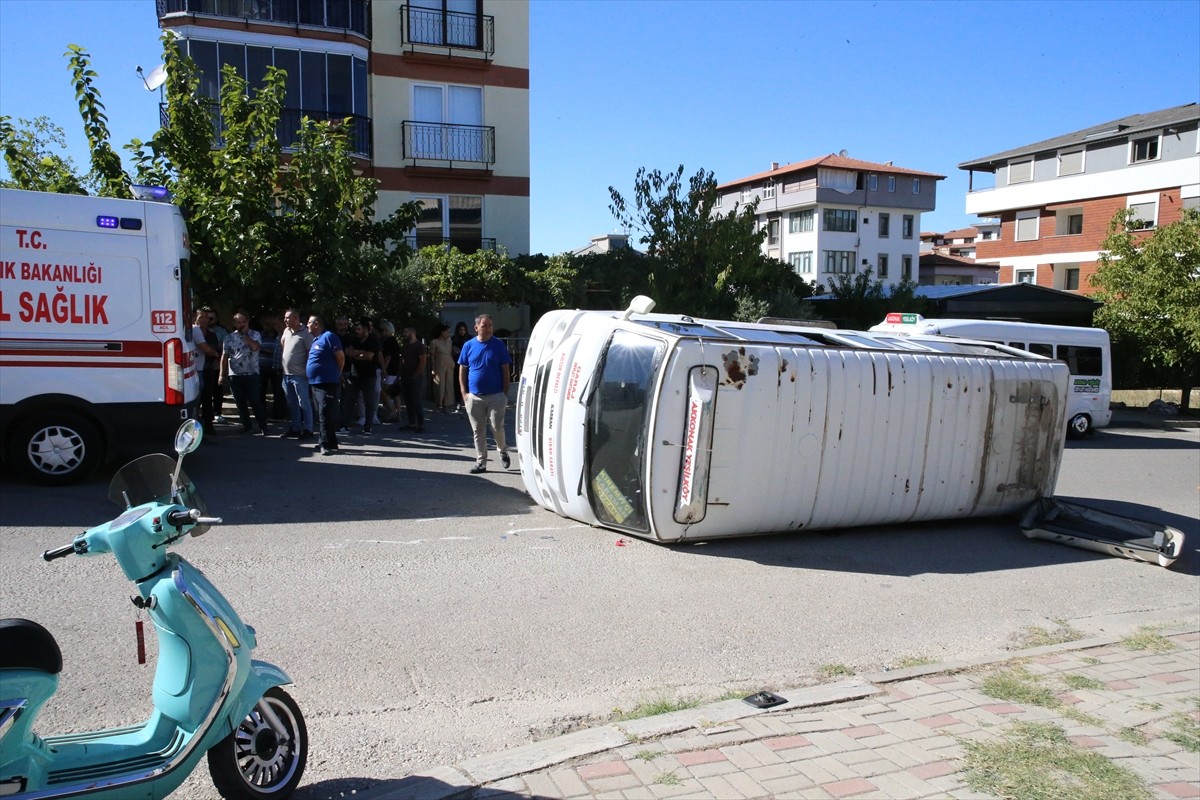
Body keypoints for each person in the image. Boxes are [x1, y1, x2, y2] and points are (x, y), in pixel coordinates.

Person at [458, 314, 512, 474]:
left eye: (490, 325)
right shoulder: (468, 345)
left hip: (496, 395)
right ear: (476, 328)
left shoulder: (498, 345)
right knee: (478, 430)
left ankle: (502, 450)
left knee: (496, 426)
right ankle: (481, 462)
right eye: (484, 325)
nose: (488, 328)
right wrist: (464, 392)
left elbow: (505, 369)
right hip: (474, 397)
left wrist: (504, 393)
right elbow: (463, 368)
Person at [218, 312, 269, 436]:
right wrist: (221, 374)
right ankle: (247, 426)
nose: (241, 325)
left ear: (247, 322)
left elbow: (255, 347)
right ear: (234, 323)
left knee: (255, 401)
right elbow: (224, 357)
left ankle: (263, 426)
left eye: (243, 322)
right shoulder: (229, 337)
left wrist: (245, 336)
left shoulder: (255, 334)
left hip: (252, 374)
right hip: (235, 375)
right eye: (238, 322)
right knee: (240, 403)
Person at [306, 315, 344, 454]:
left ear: (316, 324)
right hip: (315, 382)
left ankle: (325, 444)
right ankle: (332, 441)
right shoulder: (316, 339)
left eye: (309, 323)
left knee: (324, 413)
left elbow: (340, 357)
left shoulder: (329, 336)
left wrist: (336, 374)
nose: (307, 325)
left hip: (327, 382)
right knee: (321, 412)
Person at [279, 309, 314, 439]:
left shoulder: (305, 334)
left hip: (300, 375)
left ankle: (308, 429)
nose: (285, 320)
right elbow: (283, 346)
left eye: (287, 318)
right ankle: (295, 428)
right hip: (286, 374)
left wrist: (307, 371)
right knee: (292, 403)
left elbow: (310, 353)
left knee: (304, 402)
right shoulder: (286, 331)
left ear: (296, 319)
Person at [342, 319, 380, 434]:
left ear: (366, 329)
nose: (356, 331)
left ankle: (368, 427)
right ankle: (345, 425)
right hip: (354, 375)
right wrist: (361, 353)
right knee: (349, 400)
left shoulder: (373, 341)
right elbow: (348, 352)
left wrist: (356, 354)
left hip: (369, 376)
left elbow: (369, 356)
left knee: (369, 401)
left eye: (359, 329)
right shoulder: (354, 339)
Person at [192, 308, 220, 434]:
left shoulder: (211, 334)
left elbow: (215, 349)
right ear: (195, 318)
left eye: (206, 317)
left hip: (208, 369)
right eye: (201, 316)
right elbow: (208, 350)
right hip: (196, 370)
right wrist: (213, 353)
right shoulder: (193, 330)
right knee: (196, 400)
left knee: (208, 399)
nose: (204, 319)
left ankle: (209, 426)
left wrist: (215, 355)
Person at [399, 326, 428, 432]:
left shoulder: (420, 346)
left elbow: (422, 362)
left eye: (406, 332)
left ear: (412, 332)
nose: (404, 334)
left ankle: (421, 425)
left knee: (416, 400)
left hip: (415, 377)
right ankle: (411, 423)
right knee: (408, 400)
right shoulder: (406, 346)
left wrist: (415, 375)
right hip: (405, 376)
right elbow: (402, 361)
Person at [378, 321, 402, 424]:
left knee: (383, 390)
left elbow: (388, 357)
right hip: (394, 369)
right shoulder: (394, 341)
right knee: (394, 392)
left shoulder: (388, 342)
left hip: (390, 370)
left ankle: (392, 411)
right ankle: (398, 413)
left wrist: (384, 369)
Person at [429, 323, 455, 414]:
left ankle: (447, 404)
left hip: (449, 364)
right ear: (442, 332)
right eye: (446, 332)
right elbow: (432, 356)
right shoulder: (434, 342)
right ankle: (439, 404)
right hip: (439, 365)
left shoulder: (449, 342)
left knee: (449, 385)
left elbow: (451, 352)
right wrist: (433, 368)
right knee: (440, 385)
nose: (448, 333)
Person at [451, 321, 470, 413]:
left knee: (468, 383)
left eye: (464, 330)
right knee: (458, 383)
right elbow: (452, 351)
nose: (462, 331)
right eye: (460, 330)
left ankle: (468, 402)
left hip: (468, 364)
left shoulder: (470, 338)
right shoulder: (454, 339)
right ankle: (458, 402)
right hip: (457, 364)